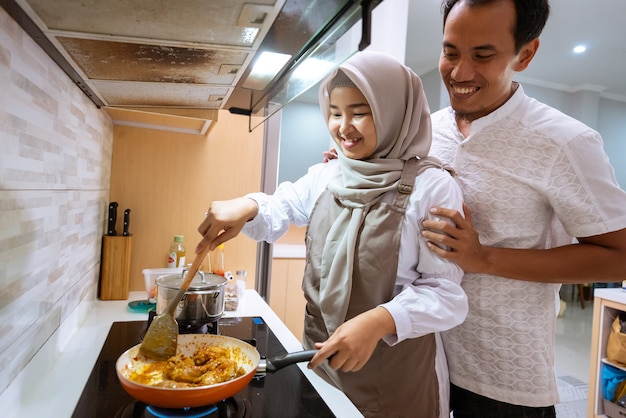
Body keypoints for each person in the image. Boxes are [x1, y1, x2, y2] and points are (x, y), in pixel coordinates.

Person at [196, 51, 468, 417]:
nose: (343, 126)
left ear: (393, 112)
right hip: (320, 362)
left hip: (395, 375)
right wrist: (248, 206)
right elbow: (283, 206)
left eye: (359, 112)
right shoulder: (330, 173)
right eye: (335, 113)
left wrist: (381, 319)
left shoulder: (432, 187)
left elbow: (446, 294)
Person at [417, 0, 626, 416]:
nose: (459, 73)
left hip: (503, 381)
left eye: (483, 55)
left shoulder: (565, 142)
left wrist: (484, 257)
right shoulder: (424, 129)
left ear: (525, 54)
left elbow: (620, 258)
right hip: (420, 358)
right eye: (451, 52)